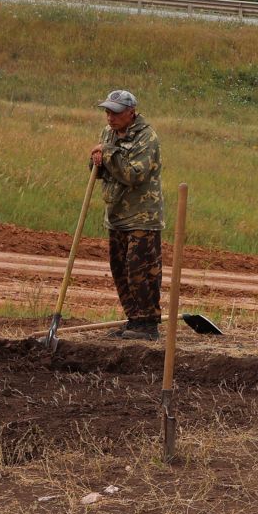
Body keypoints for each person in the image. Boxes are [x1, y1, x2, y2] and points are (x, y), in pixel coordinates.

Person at [90, 90, 163, 340]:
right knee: (120, 268)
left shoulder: (147, 137)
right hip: (116, 213)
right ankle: (134, 319)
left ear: (131, 112)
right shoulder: (108, 134)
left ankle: (148, 322)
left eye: (116, 112)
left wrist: (108, 154)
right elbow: (101, 169)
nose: (110, 117)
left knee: (140, 269)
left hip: (142, 216)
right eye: (107, 112)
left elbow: (135, 175)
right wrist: (95, 161)